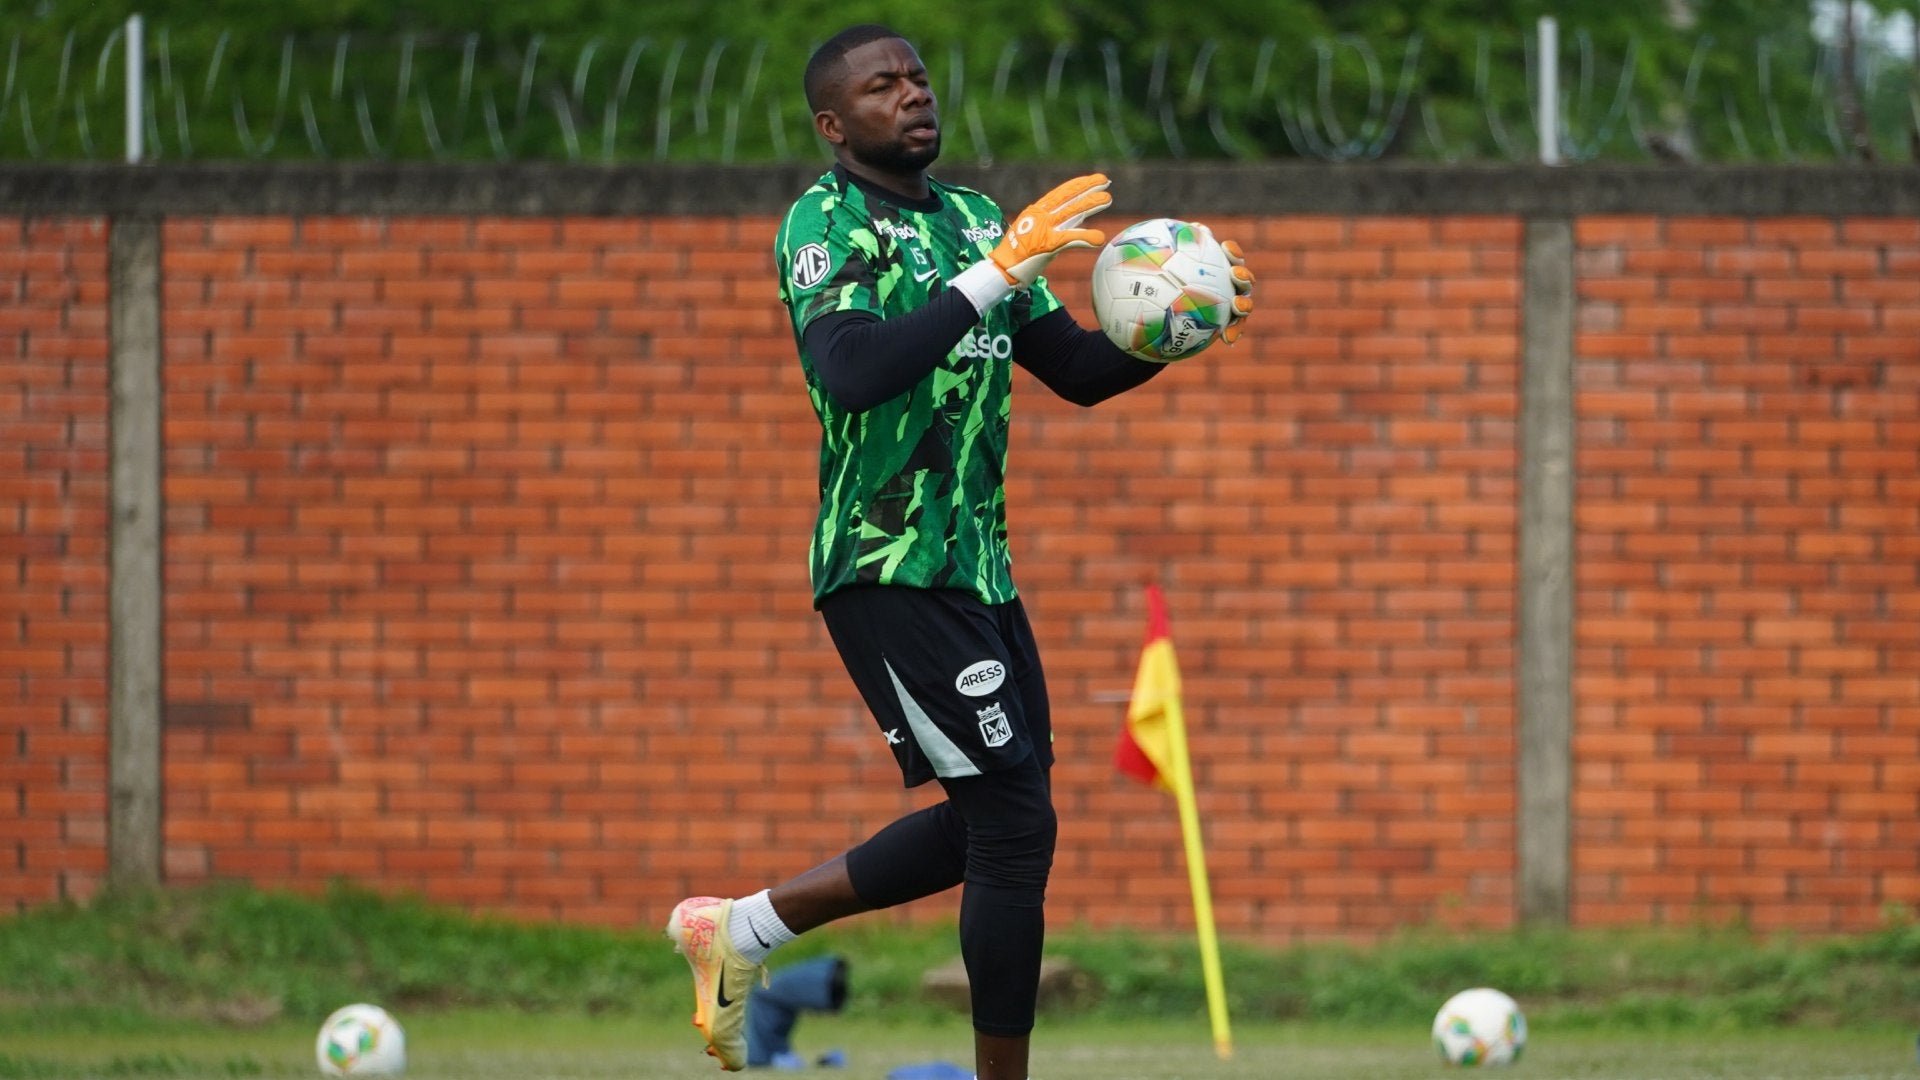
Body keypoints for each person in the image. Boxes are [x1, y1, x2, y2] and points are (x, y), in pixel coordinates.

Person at [667, 23, 1253, 1080]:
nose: (912, 97)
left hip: (979, 569)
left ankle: (742, 929)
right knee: (1016, 827)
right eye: (882, 87)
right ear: (834, 126)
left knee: (998, 821)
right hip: (886, 565)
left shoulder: (978, 221)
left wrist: (1176, 328)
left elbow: (1072, 368)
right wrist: (996, 272)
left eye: (920, 79)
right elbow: (851, 370)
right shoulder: (827, 220)